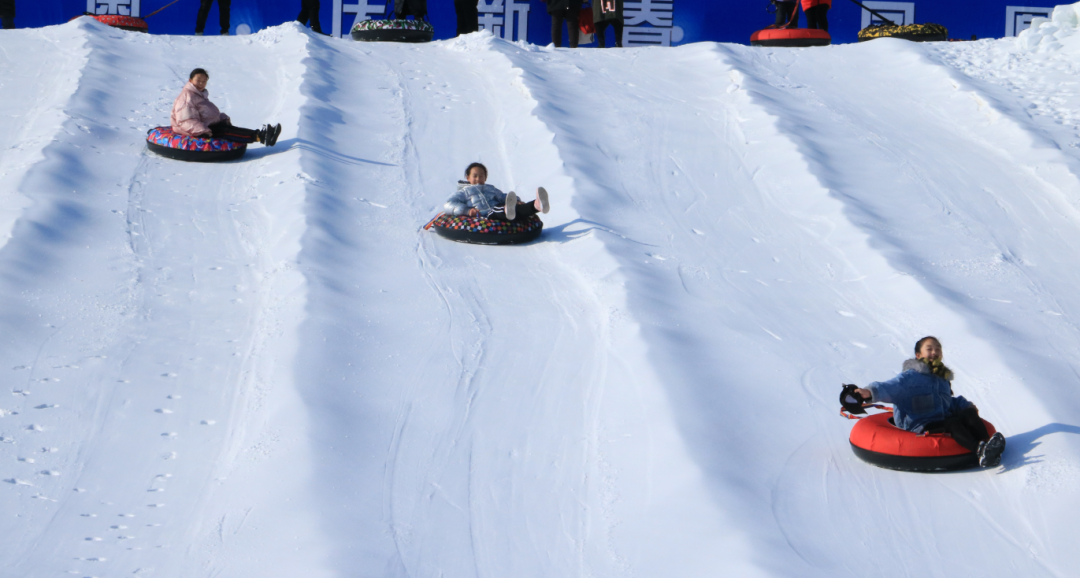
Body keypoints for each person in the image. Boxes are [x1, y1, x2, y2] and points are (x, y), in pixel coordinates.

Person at [853, 336, 1006, 468]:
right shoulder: (911, 377)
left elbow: (947, 402)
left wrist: (966, 407)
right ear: (918, 355)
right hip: (919, 425)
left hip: (940, 419)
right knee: (953, 423)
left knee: (967, 413)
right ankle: (978, 450)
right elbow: (890, 387)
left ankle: (988, 445)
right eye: (930, 349)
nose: (935, 352)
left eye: (938, 349)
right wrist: (869, 392)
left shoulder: (941, 379)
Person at [171, 68, 281, 147]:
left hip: (207, 125)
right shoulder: (187, 96)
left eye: (204, 81)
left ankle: (263, 135)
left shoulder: (198, 94)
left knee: (230, 129)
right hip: (198, 130)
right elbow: (186, 119)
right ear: (190, 80)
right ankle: (261, 137)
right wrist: (202, 131)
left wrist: (220, 118)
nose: (201, 83)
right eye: (198, 80)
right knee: (225, 131)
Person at [444, 163, 550, 222]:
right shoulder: (464, 191)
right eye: (475, 176)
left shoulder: (491, 188)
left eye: (481, 175)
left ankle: (536, 205)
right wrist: (467, 211)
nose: (478, 178)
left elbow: (502, 197)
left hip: (500, 210)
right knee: (496, 209)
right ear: (468, 178)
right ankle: (507, 209)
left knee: (511, 208)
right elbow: (449, 204)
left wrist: (517, 201)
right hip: (484, 215)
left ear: (485, 177)